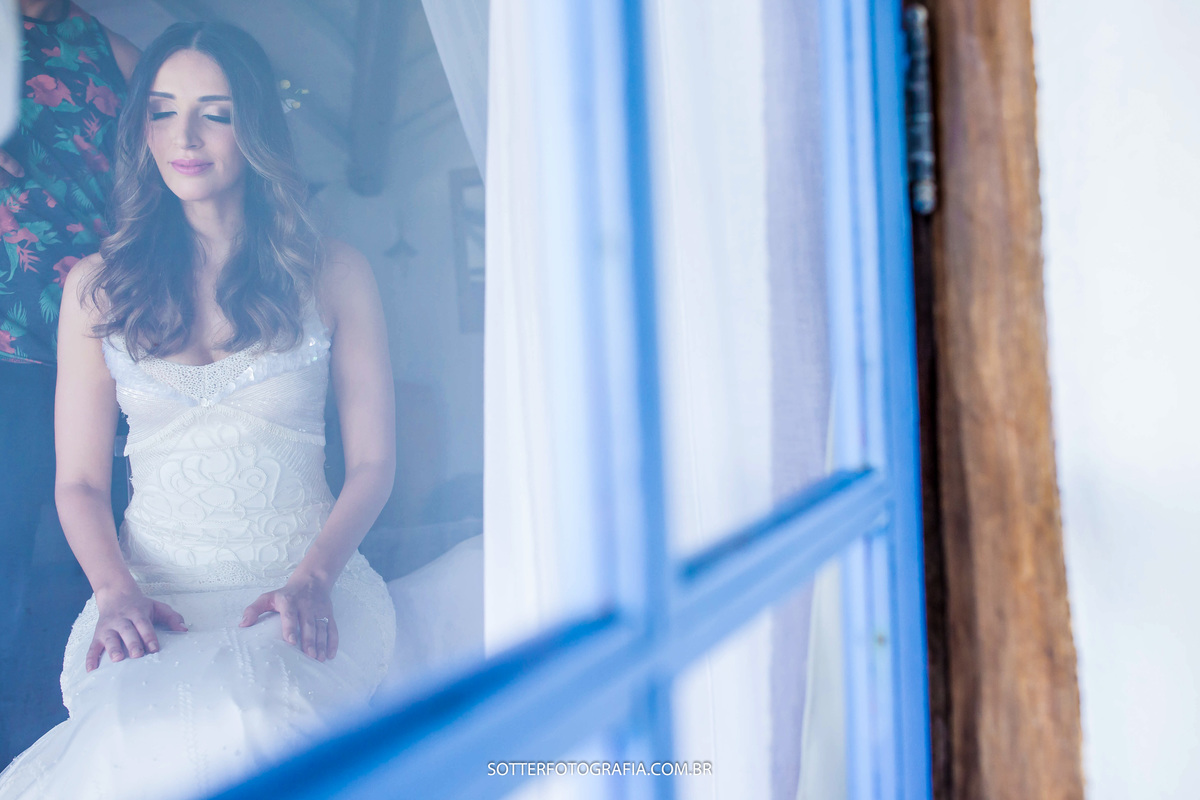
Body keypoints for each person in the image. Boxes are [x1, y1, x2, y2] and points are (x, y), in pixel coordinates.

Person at [0, 20, 397, 799]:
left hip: (304, 585)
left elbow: (375, 463)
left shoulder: (336, 271)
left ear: (255, 127)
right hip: (150, 597)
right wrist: (114, 591)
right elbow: (79, 482)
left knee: (263, 725)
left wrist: (314, 578)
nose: (183, 137)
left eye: (214, 113)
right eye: (162, 111)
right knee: (127, 740)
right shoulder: (96, 289)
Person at [0, 0, 137, 654]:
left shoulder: (116, 54)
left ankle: (134, 688)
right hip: (6, 356)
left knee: (134, 542)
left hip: (111, 338)